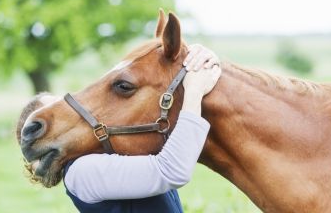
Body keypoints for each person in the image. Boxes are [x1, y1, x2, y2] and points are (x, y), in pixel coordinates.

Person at [34, 44, 221, 213]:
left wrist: (198, 58)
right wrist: (194, 90)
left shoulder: (112, 152)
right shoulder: (81, 172)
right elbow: (170, 170)